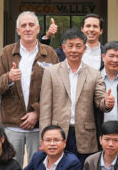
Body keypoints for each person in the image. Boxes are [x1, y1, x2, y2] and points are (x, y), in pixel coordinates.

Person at [0, 11, 60, 170]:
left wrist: (37, 112)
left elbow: (57, 88)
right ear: (18, 30)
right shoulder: (7, 52)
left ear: (38, 29)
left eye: (31, 25)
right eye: (24, 25)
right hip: (12, 126)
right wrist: (8, 78)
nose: (28, 28)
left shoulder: (49, 53)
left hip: (39, 127)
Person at [39, 28, 108, 161]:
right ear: (64, 48)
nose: (74, 50)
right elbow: (45, 107)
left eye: (78, 46)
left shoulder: (94, 74)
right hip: (57, 134)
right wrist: (44, 137)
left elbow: (100, 100)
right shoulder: (51, 72)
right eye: (70, 46)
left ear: (85, 48)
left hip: (84, 134)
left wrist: (107, 102)